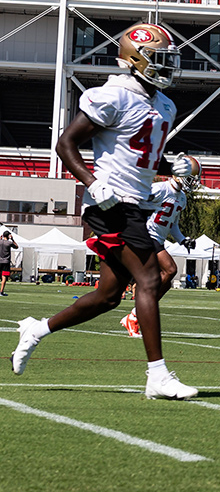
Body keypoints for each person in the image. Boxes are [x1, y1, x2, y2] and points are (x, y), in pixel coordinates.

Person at [9, 23, 196, 399]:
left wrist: (165, 171)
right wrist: (93, 184)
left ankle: (37, 328)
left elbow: (137, 157)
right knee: (150, 278)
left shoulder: (164, 104)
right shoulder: (113, 95)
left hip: (135, 204)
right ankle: (157, 375)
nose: (166, 68)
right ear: (134, 58)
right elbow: (66, 144)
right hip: (108, 204)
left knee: (109, 295)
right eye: (158, 60)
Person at [120, 159, 201, 337]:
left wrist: (183, 240)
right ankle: (136, 314)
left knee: (162, 281)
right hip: (146, 236)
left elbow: (173, 225)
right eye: (190, 178)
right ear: (179, 174)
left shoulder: (182, 198)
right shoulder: (160, 189)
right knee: (170, 269)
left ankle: (136, 314)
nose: (193, 182)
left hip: (157, 240)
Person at [0, 230, 19, 297]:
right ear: (8, 236)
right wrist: (13, 239)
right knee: (4, 277)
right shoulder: (9, 243)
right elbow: (17, 247)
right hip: (6, 262)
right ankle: (1, 291)